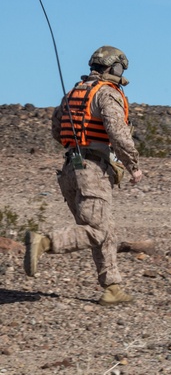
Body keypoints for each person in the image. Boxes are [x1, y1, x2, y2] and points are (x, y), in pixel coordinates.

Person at [23, 45, 143, 306]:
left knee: (103, 227)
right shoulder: (106, 94)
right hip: (92, 170)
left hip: (70, 168)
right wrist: (133, 165)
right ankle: (44, 242)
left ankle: (112, 287)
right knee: (96, 231)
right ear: (114, 68)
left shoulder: (71, 94)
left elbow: (57, 130)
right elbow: (118, 133)